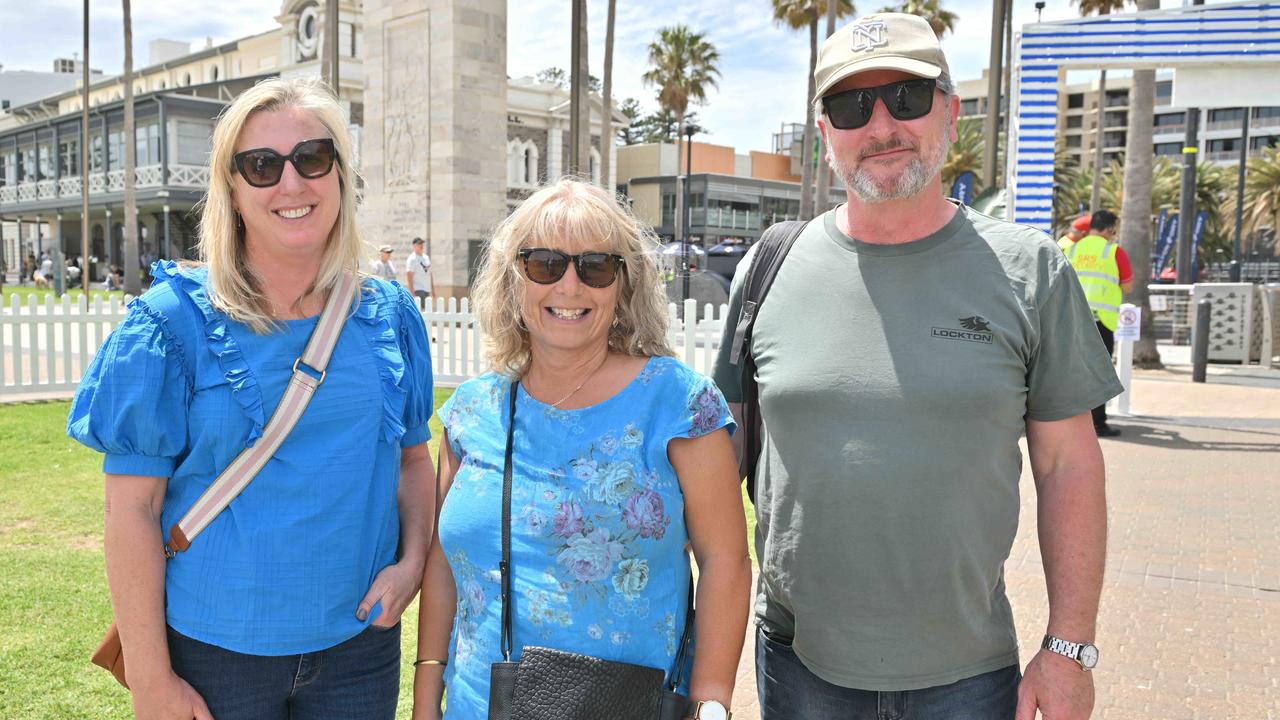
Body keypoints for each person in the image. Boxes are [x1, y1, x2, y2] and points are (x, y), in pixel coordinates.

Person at [711, 13, 1122, 720]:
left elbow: (1069, 466)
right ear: (824, 134)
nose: (880, 126)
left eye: (906, 96)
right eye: (850, 106)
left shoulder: (1030, 272)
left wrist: (1070, 647)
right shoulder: (767, 269)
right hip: (800, 665)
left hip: (968, 676)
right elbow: (720, 462)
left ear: (950, 112)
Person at [66, 77, 436, 720]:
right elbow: (131, 510)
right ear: (232, 191)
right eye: (261, 166)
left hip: (359, 648)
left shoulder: (388, 315)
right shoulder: (167, 324)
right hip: (213, 654)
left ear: (341, 177)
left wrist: (410, 565)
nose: (291, 184)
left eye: (312, 159)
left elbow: (410, 462)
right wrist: (151, 682)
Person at [413, 179, 751, 720]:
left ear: (623, 284)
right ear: (512, 281)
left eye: (595, 266)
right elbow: (444, 560)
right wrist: (427, 689)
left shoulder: (679, 404)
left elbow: (726, 561)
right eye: (545, 264)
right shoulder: (470, 414)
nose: (570, 286)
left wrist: (711, 699)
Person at [1062, 209, 1133, 438]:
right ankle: (1098, 423)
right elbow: (1128, 285)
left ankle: (1069, 422)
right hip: (1102, 320)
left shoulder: (1072, 249)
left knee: (1071, 370)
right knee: (1099, 373)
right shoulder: (1113, 251)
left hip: (1074, 318)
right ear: (1109, 228)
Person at [406, 237, 435, 310]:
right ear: (414, 246)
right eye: (419, 244)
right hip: (418, 289)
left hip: (427, 289)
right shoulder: (412, 258)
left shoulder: (426, 257)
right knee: (421, 310)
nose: (421, 245)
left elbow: (429, 274)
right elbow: (409, 275)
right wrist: (412, 292)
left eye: (422, 243)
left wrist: (433, 290)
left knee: (427, 311)